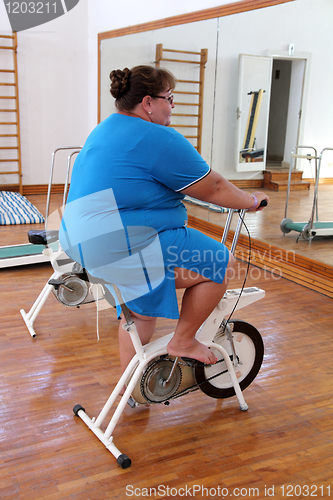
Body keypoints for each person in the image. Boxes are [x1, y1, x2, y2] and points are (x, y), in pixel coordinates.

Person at [59, 65, 268, 375]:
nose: (172, 105)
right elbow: (215, 187)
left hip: (80, 239)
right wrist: (252, 201)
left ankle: (134, 394)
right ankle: (183, 341)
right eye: (169, 98)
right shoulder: (157, 137)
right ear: (148, 103)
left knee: (138, 315)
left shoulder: (105, 128)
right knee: (220, 263)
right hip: (122, 242)